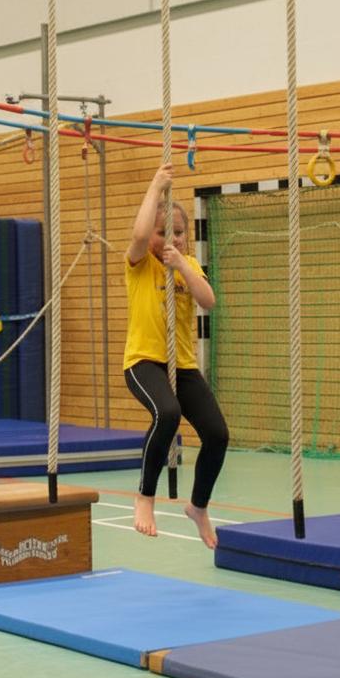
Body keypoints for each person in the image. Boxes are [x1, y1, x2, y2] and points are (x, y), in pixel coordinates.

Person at [124, 162, 229, 549]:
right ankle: (145, 496)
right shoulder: (140, 264)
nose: (173, 239)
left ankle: (198, 507)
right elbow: (139, 235)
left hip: (182, 366)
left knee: (217, 434)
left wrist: (183, 263)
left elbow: (208, 300)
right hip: (143, 362)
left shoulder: (189, 266)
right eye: (163, 232)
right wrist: (156, 185)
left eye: (179, 233)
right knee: (167, 413)